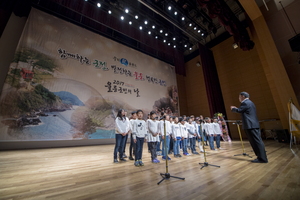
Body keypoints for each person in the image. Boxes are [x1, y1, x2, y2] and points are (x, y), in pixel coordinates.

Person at [231, 91, 268, 163]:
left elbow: (239, 110)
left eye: (239, 97)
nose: (239, 98)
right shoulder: (250, 103)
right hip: (252, 125)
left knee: (256, 142)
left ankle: (262, 158)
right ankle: (260, 157)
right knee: (256, 141)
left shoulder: (245, 102)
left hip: (250, 125)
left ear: (242, 96)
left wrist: (233, 108)